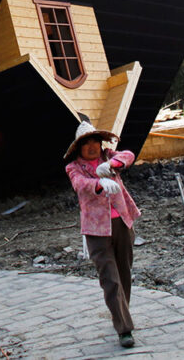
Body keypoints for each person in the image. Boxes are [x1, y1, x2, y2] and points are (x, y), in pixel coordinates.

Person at [64, 119, 141, 348]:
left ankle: (119, 313)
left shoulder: (108, 157)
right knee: (110, 278)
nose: (91, 147)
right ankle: (124, 328)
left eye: (94, 142)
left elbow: (128, 155)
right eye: (85, 143)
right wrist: (98, 184)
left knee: (124, 272)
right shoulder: (74, 167)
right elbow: (80, 185)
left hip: (122, 222)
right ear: (78, 148)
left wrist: (113, 165)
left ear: (100, 143)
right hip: (96, 230)